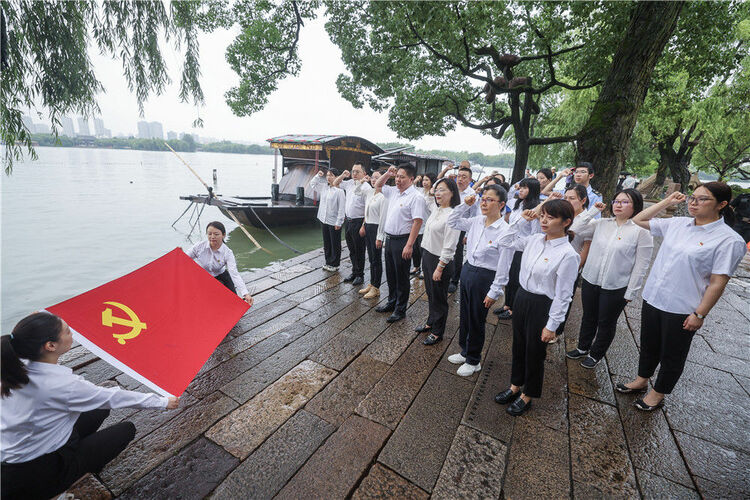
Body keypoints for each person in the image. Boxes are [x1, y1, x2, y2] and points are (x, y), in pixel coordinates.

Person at [1, 312, 180, 499]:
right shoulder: (62, 385)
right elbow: (114, 397)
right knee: (125, 430)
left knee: (98, 407)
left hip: (24, 448)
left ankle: (83, 455)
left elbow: (101, 398)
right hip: (39, 471)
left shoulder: (14, 363)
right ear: (50, 345)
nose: (72, 334)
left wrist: (36, 323)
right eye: (68, 331)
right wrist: (163, 402)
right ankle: (68, 480)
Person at [617, 182, 746, 411]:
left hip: (682, 306)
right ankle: (641, 379)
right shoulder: (678, 224)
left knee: (672, 353)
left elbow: (718, 283)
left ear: (722, 204)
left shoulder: (728, 240)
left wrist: (700, 314)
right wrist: (667, 201)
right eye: (692, 198)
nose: (694, 203)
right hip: (655, 296)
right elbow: (638, 220)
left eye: (702, 199)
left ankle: (658, 393)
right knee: (649, 345)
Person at [492, 200, 580, 416]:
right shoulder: (534, 240)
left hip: (542, 304)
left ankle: (527, 394)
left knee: (535, 351)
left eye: (550, 217)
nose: (544, 220)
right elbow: (503, 240)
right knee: (519, 345)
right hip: (522, 298)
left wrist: (552, 325)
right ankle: (515, 385)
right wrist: (523, 220)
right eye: (543, 216)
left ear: (566, 222)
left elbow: (564, 295)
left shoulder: (568, 255)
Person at [565, 189, 654, 369]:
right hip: (591, 278)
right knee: (588, 316)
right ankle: (583, 347)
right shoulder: (601, 223)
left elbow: (641, 265)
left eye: (624, 202)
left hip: (616, 285)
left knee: (606, 321)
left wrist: (632, 291)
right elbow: (573, 227)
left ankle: (596, 354)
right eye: (616, 201)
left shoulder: (641, 231)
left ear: (636, 206)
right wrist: (593, 211)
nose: (618, 205)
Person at [446, 185, 513, 377]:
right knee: (465, 314)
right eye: (483, 198)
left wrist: (495, 291)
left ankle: (474, 360)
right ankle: (465, 350)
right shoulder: (476, 221)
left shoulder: (504, 230)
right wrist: (464, 205)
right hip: (468, 270)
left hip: (485, 276)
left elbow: (504, 265)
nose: (484, 202)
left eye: (489, 199)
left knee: (477, 318)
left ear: (501, 204)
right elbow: (452, 221)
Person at [373, 164, 427, 322]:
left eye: (402, 177)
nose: (398, 179)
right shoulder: (394, 192)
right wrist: (388, 174)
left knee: (402, 276)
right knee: (390, 274)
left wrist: (409, 245)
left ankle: (400, 309)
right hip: (389, 239)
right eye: (397, 176)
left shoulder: (416, 197)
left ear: (411, 179)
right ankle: (391, 301)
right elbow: (377, 185)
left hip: (403, 240)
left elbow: (417, 222)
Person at [417, 178, 462, 345]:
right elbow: (428, 197)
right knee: (430, 293)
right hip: (428, 255)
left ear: (452, 193)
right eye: (437, 190)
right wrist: (433, 189)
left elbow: (450, 246)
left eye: (442, 190)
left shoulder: (452, 215)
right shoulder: (437, 209)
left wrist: (440, 267)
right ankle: (431, 322)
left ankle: (437, 332)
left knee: (439, 297)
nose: (437, 193)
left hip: (440, 260)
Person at [495, 178, 542, 320]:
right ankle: (507, 304)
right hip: (511, 244)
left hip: (522, 248)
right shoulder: (518, 204)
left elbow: (535, 233)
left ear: (532, 190)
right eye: (520, 187)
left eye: (525, 188)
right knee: (509, 275)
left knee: (516, 277)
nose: (520, 190)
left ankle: (514, 308)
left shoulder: (535, 209)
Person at [186, 221, 254, 306]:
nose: (212, 237)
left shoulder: (228, 253)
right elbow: (184, 259)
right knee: (203, 303)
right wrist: (179, 254)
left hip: (221, 275)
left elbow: (234, 274)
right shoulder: (199, 247)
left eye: (216, 234)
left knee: (233, 302)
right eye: (209, 234)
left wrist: (246, 293)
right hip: (202, 277)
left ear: (223, 235)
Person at [438, 161, 477, 293]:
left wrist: (467, 234)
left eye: (464, 177)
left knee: (457, 253)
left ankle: (454, 280)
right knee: (444, 248)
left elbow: (474, 216)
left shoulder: (472, 194)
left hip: (461, 227)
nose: (460, 179)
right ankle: (442, 271)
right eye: (459, 176)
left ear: (470, 179)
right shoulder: (452, 190)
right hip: (448, 223)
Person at [334, 163, 372, 286]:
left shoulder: (366, 187)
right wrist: (343, 175)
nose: (354, 174)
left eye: (357, 171)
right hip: (349, 221)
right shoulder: (350, 183)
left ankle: (360, 274)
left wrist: (363, 225)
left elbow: (368, 209)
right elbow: (335, 183)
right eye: (353, 171)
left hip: (359, 221)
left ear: (364, 174)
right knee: (351, 249)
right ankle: (354, 271)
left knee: (359, 249)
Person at [356, 169, 387, 299]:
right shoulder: (370, 193)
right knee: (371, 257)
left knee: (376, 258)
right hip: (368, 225)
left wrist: (380, 237)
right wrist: (362, 181)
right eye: (373, 178)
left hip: (376, 228)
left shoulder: (384, 196)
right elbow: (356, 191)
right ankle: (372, 283)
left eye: (377, 178)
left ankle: (376, 287)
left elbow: (383, 218)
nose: (374, 180)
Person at [309, 169, 346, 272]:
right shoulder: (324, 187)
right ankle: (328, 261)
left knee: (335, 243)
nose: (328, 177)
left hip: (334, 221)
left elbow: (341, 208)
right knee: (327, 242)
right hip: (323, 218)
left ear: (337, 177)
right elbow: (312, 184)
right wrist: (318, 175)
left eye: (332, 175)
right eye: (328, 175)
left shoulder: (340, 191)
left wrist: (339, 222)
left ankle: (335, 264)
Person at [411, 173, 437, 277]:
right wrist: (416, 179)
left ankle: (423, 269)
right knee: (415, 248)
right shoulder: (420, 191)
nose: (425, 182)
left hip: (426, 225)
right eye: (424, 180)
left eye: (427, 180)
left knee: (423, 250)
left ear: (432, 182)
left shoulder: (433, 193)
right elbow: (411, 188)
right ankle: (416, 266)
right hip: (416, 224)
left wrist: (432, 193)